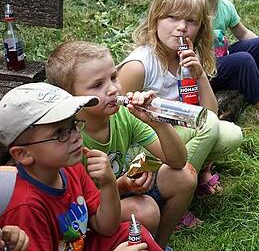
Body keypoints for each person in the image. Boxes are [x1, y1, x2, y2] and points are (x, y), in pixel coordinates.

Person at [46, 41, 199, 248]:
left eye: (113, 77)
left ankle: (159, 245)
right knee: (146, 210)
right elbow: (80, 207)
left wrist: (157, 123)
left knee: (184, 177)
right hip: (90, 214)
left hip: (116, 191)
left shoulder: (123, 115)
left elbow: (178, 160)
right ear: (70, 97)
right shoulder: (70, 138)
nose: (112, 89)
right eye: (97, 85)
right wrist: (122, 185)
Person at [117, 0, 243, 197]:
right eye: (172, 17)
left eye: (191, 21)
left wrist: (200, 75)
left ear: (201, 28)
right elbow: (117, 120)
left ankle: (189, 179)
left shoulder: (187, 57)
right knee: (210, 125)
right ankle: (169, 192)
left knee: (232, 134)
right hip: (144, 143)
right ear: (155, 19)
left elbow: (209, 114)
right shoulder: (139, 66)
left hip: (177, 133)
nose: (182, 27)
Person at [0, 82, 162, 250]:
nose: (76, 136)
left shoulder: (70, 168)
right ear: (23, 154)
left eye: (74, 125)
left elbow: (106, 226)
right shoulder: (26, 207)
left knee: (133, 234)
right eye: (60, 133)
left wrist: (108, 184)